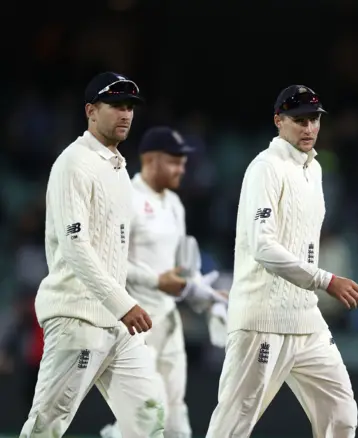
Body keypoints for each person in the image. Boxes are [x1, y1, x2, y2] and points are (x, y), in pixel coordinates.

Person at [206, 85, 358, 438]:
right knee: (232, 426)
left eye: (314, 120)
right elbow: (262, 246)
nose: (309, 128)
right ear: (279, 121)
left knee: (341, 413)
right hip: (263, 318)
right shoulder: (265, 168)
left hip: (306, 319)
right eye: (299, 121)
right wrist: (326, 280)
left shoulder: (315, 170)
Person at [19, 72, 165, 438]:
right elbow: (75, 246)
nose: (125, 114)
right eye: (116, 105)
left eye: (130, 107)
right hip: (77, 319)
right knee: (47, 427)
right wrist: (123, 303)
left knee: (150, 423)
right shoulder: (75, 162)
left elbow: (112, 252)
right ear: (90, 110)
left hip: (116, 324)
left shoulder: (116, 166)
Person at [99, 126, 229, 438]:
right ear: (151, 159)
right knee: (145, 414)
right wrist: (156, 280)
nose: (182, 169)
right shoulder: (125, 198)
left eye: (183, 162)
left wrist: (207, 295)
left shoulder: (174, 203)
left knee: (174, 417)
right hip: (134, 322)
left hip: (168, 322)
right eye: (174, 161)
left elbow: (181, 269)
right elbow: (107, 262)